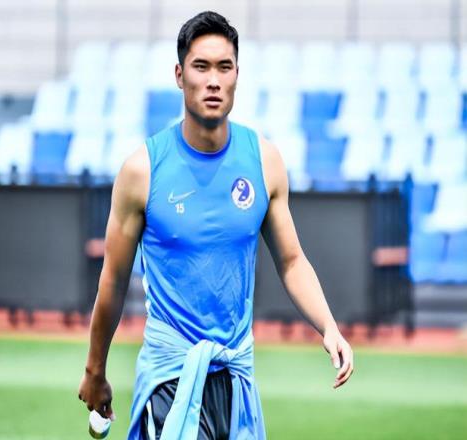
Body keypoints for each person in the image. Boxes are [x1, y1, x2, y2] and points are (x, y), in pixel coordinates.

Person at [78, 10, 354, 440]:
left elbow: (292, 261)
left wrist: (329, 326)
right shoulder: (142, 170)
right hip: (170, 380)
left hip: (237, 378)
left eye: (224, 67)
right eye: (200, 66)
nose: (213, 80)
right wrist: (95, 371)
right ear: (179, 75)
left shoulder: (264, 161)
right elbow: (112, 281)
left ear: (237, 75)